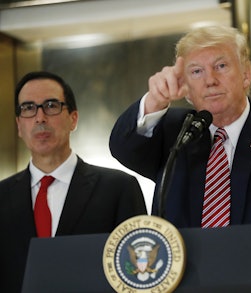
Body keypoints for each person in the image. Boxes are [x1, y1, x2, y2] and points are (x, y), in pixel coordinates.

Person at [109, 25, 251, 292]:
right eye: (196, 71)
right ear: (186, 87)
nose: (210, 80)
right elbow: (123, 147)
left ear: (246, 75)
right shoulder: (173, 131)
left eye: (221, 66)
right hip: (183, 283)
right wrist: (153, 101)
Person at [0, 71, 147, 293]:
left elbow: (138, 275)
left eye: (51, 105)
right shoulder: (2, 196)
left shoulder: (118, 189)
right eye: (28, 108)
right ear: (19, 125)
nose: (40, 118)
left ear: (73, 119)